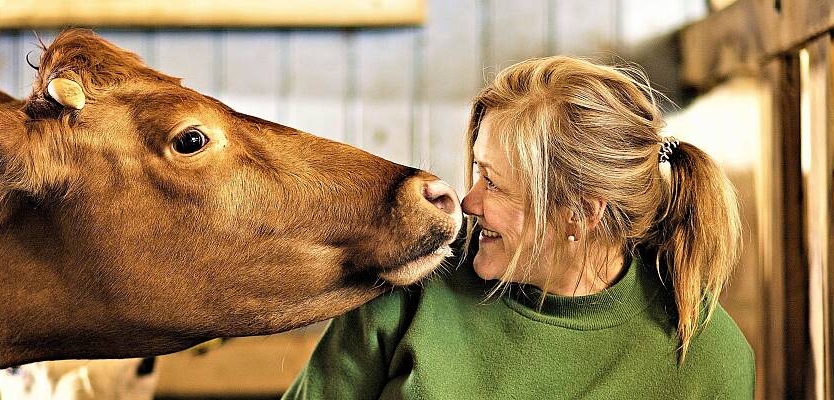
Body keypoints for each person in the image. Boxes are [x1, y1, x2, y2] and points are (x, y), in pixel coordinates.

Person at [282, 56, 754, 399]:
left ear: (582, 214)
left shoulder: (710, 361)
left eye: (495, 184)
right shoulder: (413, 280)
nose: (469, 202)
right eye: (476, 170)